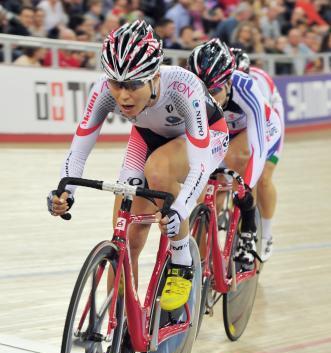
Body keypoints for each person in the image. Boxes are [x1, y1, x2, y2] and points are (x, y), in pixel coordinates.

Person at [47, 20, 229, 313]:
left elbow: (200, 166)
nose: (123, 96)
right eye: (117, 84)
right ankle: (116, 337)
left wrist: (180, 208)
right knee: (126, 233)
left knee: (158, 169)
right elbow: (78, 150)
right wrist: (65, 192)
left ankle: (181, 260)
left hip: (207, 139)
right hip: (147, 137)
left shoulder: (183, 86)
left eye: (133, 84)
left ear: (154, 76)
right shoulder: (103, 91)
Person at [187, 39, 282, 265]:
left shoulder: (248, 88)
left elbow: (258, 145)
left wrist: (247, 186)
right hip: (225, 128)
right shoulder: (188, 89)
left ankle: (253, 232)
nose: (207, 98)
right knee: (209, 186)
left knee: (257, 174)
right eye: (202, 90)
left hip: (263, 126)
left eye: (215, 90)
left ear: (229, 83)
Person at [231, 48, 285, 261]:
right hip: (239, 121)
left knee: (262, 178)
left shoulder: (255, 85)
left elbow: (260, 132)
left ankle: (267, 234)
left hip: (270, 122)